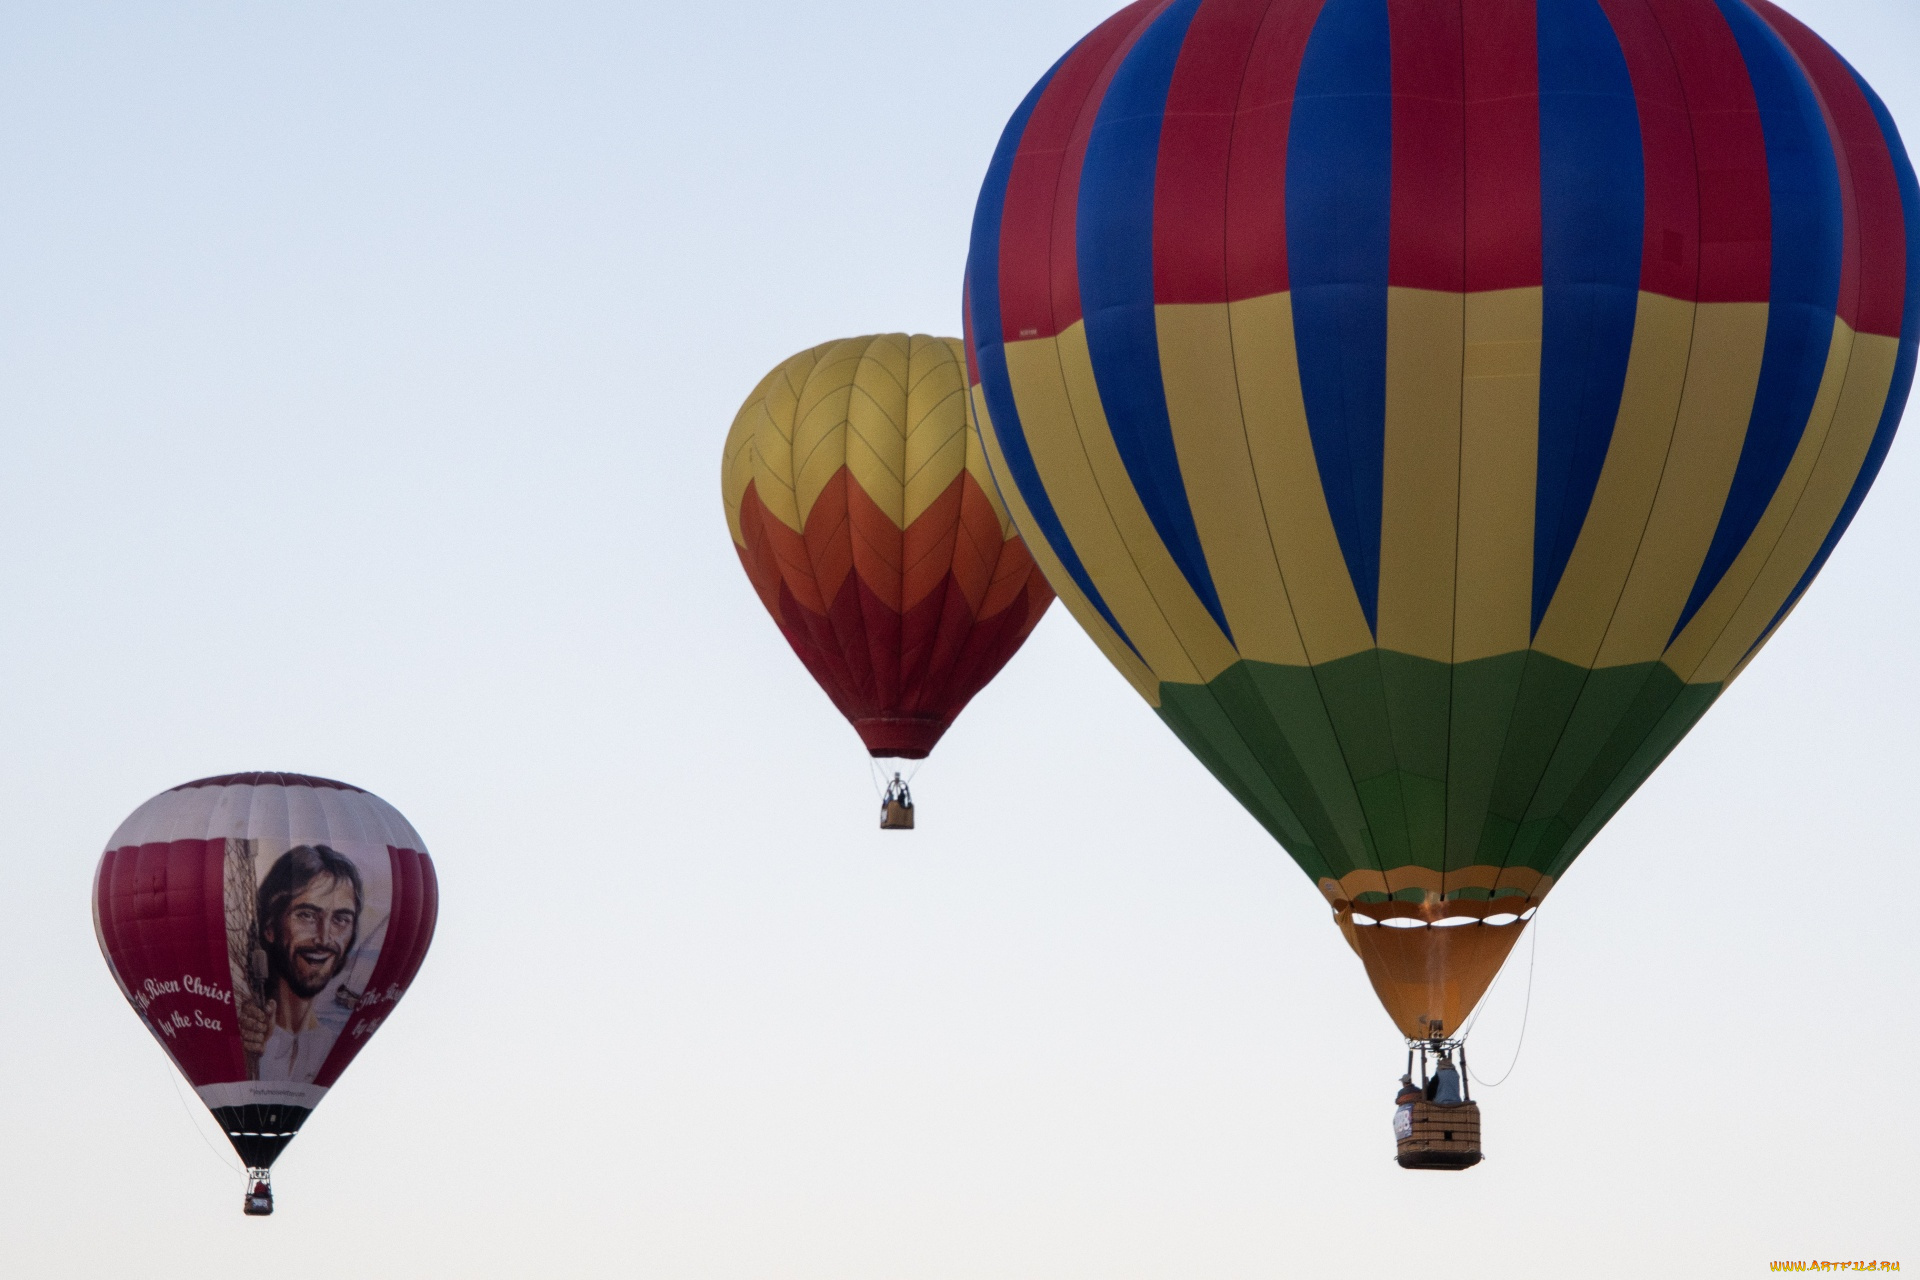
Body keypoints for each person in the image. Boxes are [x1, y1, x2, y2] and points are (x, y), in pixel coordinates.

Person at [237, 845, 363, 1083]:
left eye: (341, 919)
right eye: (306, 915)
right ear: (270, 926)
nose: (324, 938)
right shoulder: (238, 1036)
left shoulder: (331, 1044)